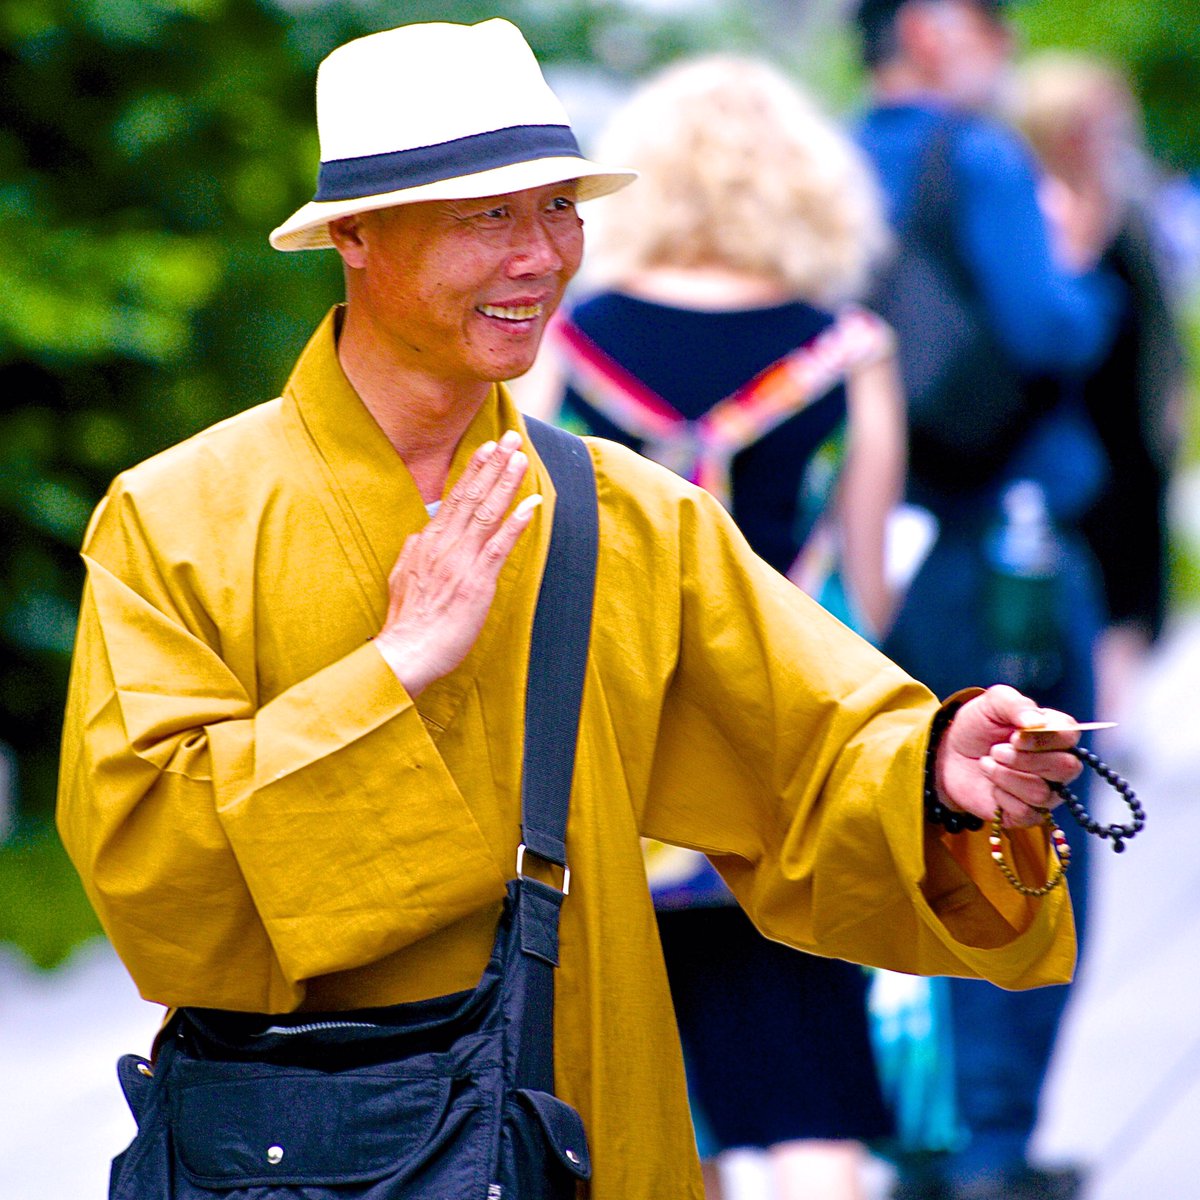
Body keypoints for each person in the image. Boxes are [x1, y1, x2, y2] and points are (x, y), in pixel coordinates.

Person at [57, 19, 1088, 1200]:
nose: (542, 255)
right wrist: (391, 669)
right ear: (352, 235)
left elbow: (812, 753)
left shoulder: (630, 517)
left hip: (581, 1109)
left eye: (559, 208)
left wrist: (937, 774)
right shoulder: (178, 517)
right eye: (488, 215)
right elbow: (150, 867)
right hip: (303, 1146)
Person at [521, 55, 903, 1200]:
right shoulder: (850, 350)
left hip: (615, 754)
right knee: (811, 1084)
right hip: (783, 748)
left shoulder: (570, 341)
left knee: (644, 1088)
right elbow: (870, 596)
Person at [852, 3, 1125, 1198]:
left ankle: (913, 1138)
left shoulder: (829, 156)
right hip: (1004, 550)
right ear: (925, 26)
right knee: (1031, 826)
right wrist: (1080, 263)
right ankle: (993, 1155)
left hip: (877, 550)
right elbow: (1045, 327)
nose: (1005, 39)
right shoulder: (980, 156)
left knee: (910, 824)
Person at [1008, 51, 1186, 758]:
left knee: (1139, 574)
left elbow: (1158, 318)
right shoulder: (1032, 205)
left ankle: (1107, 709)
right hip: (1070, 423)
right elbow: (1059, 320)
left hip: (1130, 423)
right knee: (1089, 567)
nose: (1105, 135)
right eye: (1088, 122)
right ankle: (1086, 716)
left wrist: (1170, 399)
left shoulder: (1129, 202)